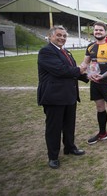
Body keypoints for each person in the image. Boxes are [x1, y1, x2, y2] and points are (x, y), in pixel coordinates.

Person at [37, 25, 87, 169]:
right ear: (50, 36)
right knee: (54, 127)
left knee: (69, 124)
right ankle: (53, 156)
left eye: (64, 36)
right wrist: (79, 69)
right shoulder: (46, 52)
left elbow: (71, 72)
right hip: (54, 97)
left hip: (69, 95)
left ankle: (70, 147)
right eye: (59, 35)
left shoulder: (66, 52)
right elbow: (61, 71)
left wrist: (87, 76)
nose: (62, 38)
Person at [83, 22, 107, 150]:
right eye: (96, 30)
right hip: (95, 83)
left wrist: (103, 75)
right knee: (100, 108)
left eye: (100, 30)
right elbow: (85, 64)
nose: (98, 32)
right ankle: (102, 133)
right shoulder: (90, 46)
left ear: (105, 32)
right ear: (93, 32)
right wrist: (88, 74)